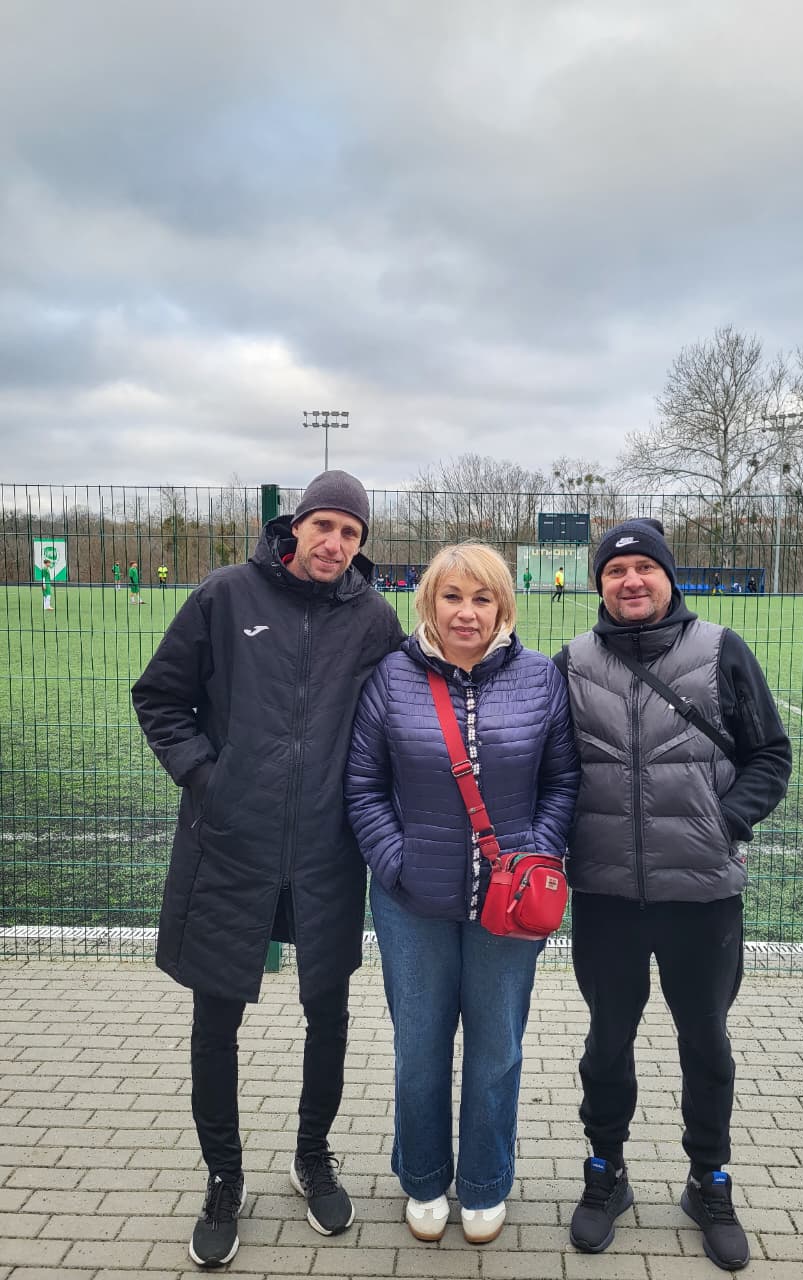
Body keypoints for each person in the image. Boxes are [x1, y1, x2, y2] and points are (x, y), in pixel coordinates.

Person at [132, 471, 404, 1269]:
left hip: (326, 852)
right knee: (215, 1022)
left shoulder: (374, 618)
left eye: (351, 533)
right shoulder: (226, 595)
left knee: (329, 1013)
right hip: (229, 845)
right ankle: (224, 1178)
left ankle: (311, 1156)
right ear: (295, 526)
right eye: (326, 526)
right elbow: (159, 697)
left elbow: (399, 717)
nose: (336, 543)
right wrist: (208, 778)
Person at [555, 518, 791, 1270]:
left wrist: (726, 820)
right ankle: (605, 1172)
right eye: (615, 571)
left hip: (703, 896)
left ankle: (708, 1181)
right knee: (606, 1043)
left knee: (706, 1043)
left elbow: (769, 754)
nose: (631, 581)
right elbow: (552, 769)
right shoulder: (572, 663)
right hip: (605, 897)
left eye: (644, 569)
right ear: (599, 584)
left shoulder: (722, 651)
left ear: (667, 576)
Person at [345, 543, 579, 1246]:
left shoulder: (540, 678)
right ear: (429, 603)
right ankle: (422, 1178)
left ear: (504, 606)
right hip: (411, 904)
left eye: (482, 598)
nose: (467, 613)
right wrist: (396, 863)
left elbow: (562, 781)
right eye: (452, 597)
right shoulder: (391, 678)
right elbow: (364, 785)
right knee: (419, 1049)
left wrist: (535, 855)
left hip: (507, 908)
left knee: (497, 1049)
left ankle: (484, 1184)